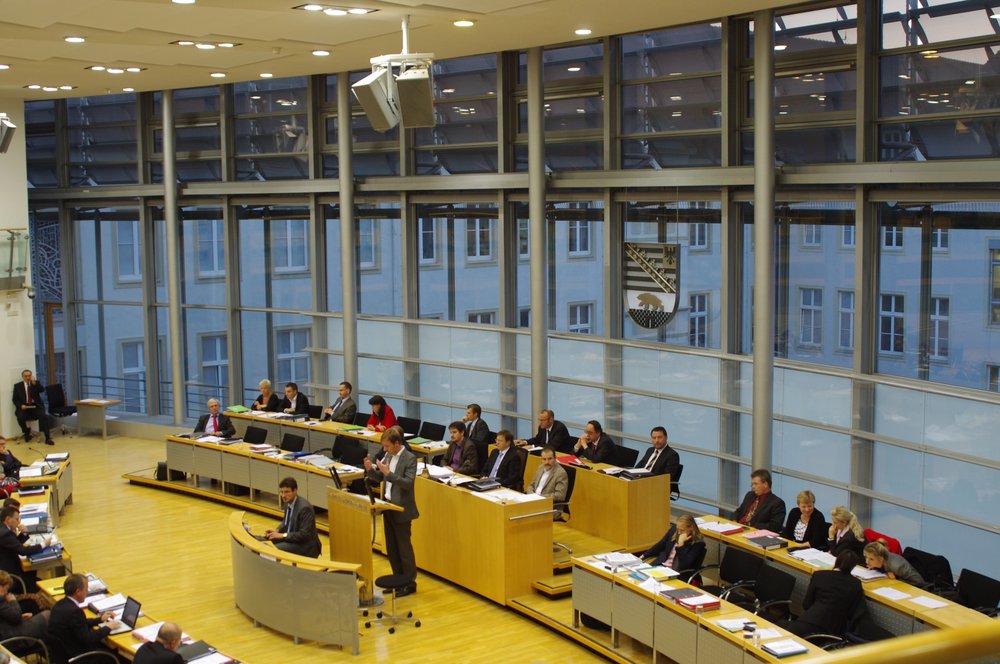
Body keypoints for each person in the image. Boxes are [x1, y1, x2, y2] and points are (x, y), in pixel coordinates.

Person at [364, 428, 418, 596]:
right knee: (392, 548)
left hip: (401, 509)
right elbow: (381, 478)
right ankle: (397, 581)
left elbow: (408, 483)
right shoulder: (388, 456)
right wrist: (371, 470)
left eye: (387, 446)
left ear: (397, 443)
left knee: (404, 549)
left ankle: (409, 583)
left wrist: (389, 473)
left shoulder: (410, 458)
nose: (384, 449)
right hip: (387, 506)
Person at [786, 550, 864, 637]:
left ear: (837, 561)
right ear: (853, 567)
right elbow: (851, 613)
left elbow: (806, 604)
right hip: (833, 631)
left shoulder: (819, 575)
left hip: (809, 621)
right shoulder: (856, 584)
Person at [47, 573, 118, 659]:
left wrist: (100, 619)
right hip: (78, 657)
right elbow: (88, 638)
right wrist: (108, 627)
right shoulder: (75, 612)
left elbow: (79, 624)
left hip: (61, 654)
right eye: (86, 589)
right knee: (116, 656)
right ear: (78, 592)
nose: (87, 592)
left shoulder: (59, 605)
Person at [265, 477, 321, 558]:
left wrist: (282, 535)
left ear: (295, 491)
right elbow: (285, 522)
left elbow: (304, 535)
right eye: (281, 492)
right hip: (291, 538)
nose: (283, 495)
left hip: (304, 546)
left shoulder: (305, 508)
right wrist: (277, 530)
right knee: (264, 541)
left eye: (287, 492)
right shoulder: (287, 502)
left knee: (272, 549)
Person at [0, 506, 52, 592]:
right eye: (17, 519)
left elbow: (13, 544)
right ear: (8, 519)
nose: (19, 522)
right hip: (11, 577)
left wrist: (23, 533)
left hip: (10, 569)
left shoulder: (3, 529)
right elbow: (23, 551)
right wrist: (43, 544)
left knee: (32, 571)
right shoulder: (5, 533)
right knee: (39, 583)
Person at [640, 515, 706, 580]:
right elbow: (661, 544)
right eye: (678, 529)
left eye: (682, 530)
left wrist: (681, 545)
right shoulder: (674, 530)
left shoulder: (698, 543)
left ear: (691, 528)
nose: (679, 533)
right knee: (641, 577)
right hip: (661, 565)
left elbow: (685, 564)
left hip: (677, 572)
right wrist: (644, 555)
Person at [731, 468, 786, 532]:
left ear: (765, 484)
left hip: (754, 532)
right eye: (752, 484)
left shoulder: (777, 503)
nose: (753, 487)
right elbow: (739, 511)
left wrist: (752, 525)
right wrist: (734, 521)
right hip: (738, 528)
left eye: (755, 484)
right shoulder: (750, 495)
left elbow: (774, 526)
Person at [0, 569, 49, 641]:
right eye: (6, 589)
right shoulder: (0, 600)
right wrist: (13, 601)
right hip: (12, 636)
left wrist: (21, 617)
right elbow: (15, 617)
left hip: (8, 630)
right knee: (48, 615)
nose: (6, 592)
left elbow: (5, 616)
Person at [11, 370, 54, 445]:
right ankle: (26, 432)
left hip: (35, 406)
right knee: (20, 417)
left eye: (29, 376)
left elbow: (42, 390)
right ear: (23, 377)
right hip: (24, 407)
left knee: (44, 417)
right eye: (26, 376)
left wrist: (34, 383)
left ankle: (47, 438)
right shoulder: (17, 386)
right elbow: (15, 399)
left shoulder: (35, 383)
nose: (28, 378)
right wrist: (20, 406)